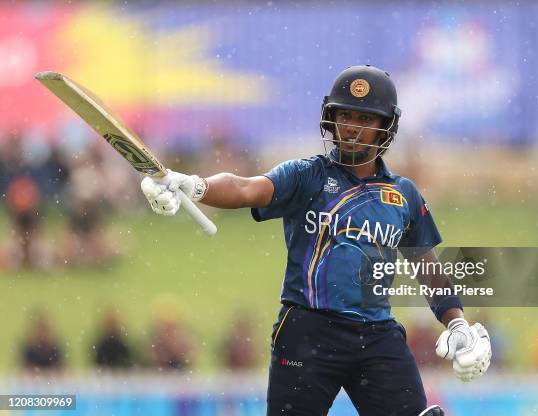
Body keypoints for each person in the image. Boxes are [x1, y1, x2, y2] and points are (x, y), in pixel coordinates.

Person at [141, 65, 491, 415]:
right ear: (331, 119)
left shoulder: (403, 195)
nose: (352, 127)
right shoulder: (307, 175)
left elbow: (429, 270)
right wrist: (196, 186)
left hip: (376, 335)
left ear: (385, 127)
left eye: (365, 119)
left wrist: (457, 322)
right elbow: (246, 187)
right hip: (307, 331)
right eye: (345, 115)